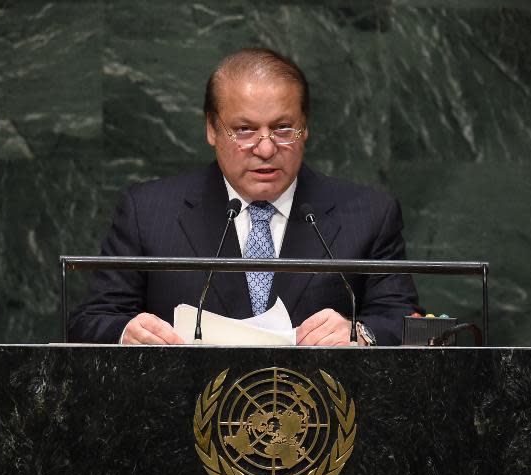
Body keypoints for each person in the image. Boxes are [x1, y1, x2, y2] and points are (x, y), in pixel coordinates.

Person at [69, 48, 420, 346]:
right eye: (244, 130)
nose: (265, 148)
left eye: (283, 128)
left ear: (305, 127)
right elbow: (91, 321)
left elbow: (408, 323)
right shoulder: (148, 212)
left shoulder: (369, 214)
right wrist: (125, 332)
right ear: (211, 128)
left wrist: (359, 332)